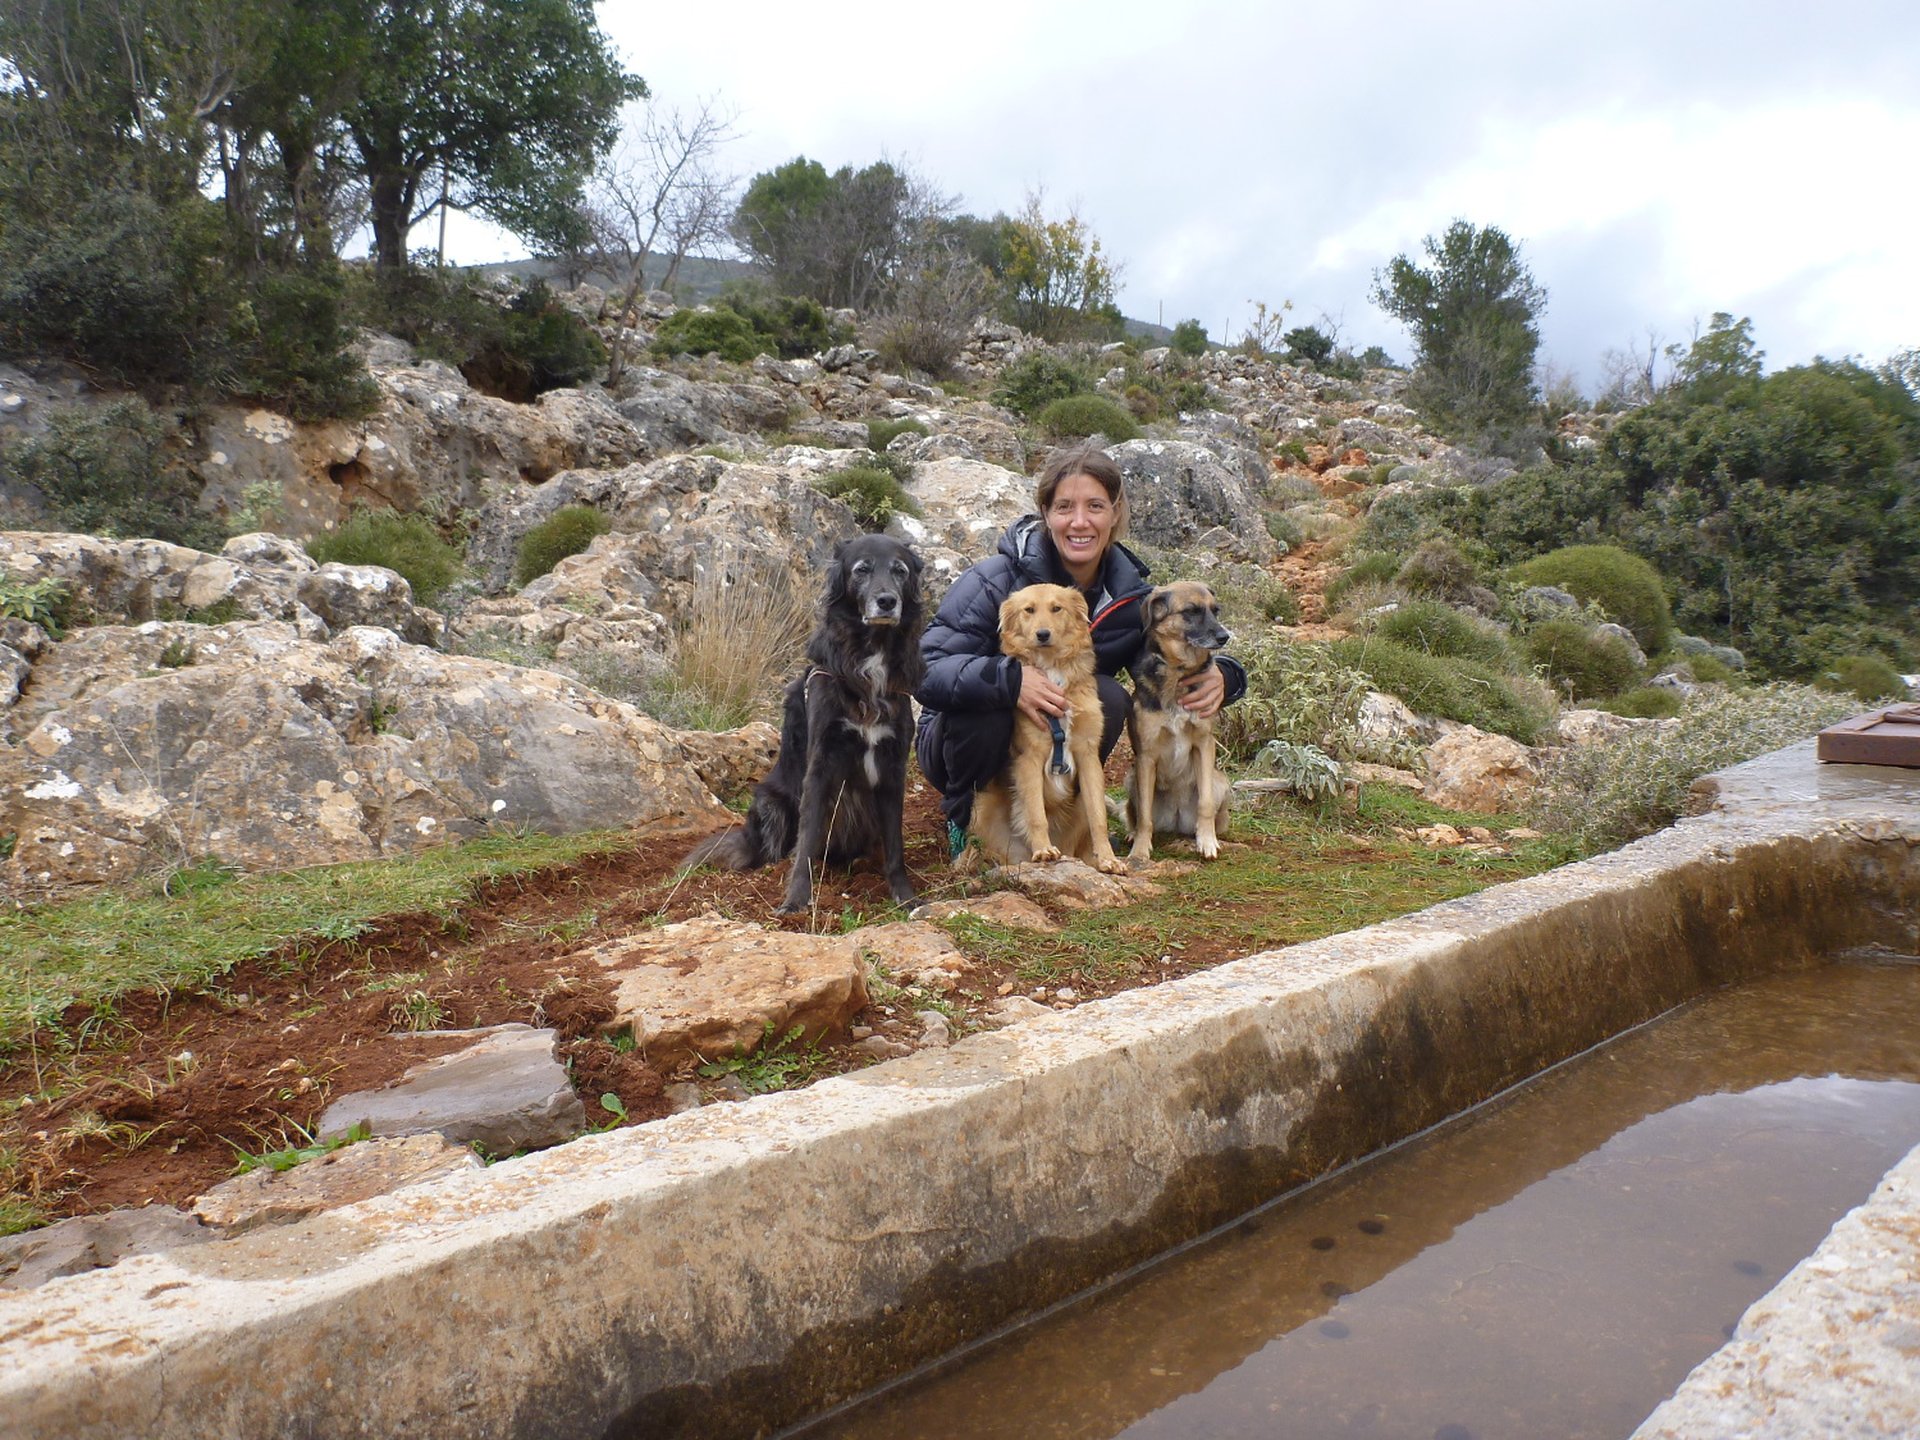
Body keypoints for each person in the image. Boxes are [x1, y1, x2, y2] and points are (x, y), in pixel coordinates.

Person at [916, 439, 1248, 857]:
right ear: (1046, 515)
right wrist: (1010, 680)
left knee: (1106, 695)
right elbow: (924, 669)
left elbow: (1163, 654)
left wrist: (1226, 674)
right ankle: (963, 819)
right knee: (991, 711)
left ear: (1115, 514)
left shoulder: (1128, 598)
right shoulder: (994, 580)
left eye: (1094, 506)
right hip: (958, 741)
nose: (1079, 522)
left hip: (1052, 742)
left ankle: (1068, 819)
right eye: (1064, 508)